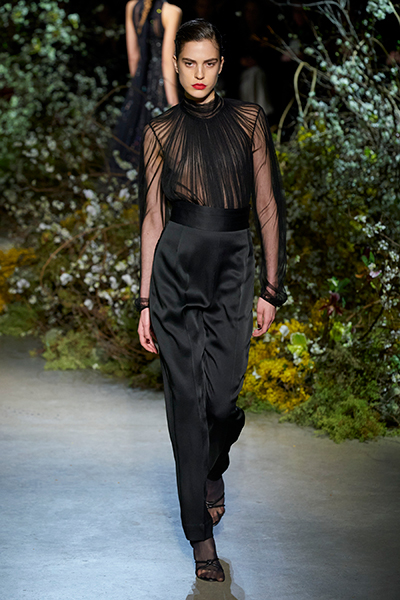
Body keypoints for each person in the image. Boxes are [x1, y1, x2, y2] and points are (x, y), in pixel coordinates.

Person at [137, 19, 287, 582]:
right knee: (187, 403)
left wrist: (271, 288)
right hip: (175, 271)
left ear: (221, 65)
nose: (198, 73)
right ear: (176, 65)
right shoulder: (160, 132)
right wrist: (145, 301)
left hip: (232, 268)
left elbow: (267, 206)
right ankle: (200, 538)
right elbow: (152, 220)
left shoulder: (249, 120)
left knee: (222, 401)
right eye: (188, 62)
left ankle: (213, 465)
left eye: (208, 62)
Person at [109, 0, 182, 174]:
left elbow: (133, 57)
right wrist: (174, 105)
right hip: (161, 87)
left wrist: (137, 90)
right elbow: (167, 63)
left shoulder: (132, 7)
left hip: (140, 84)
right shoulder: (172, 12)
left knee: (135, 145)